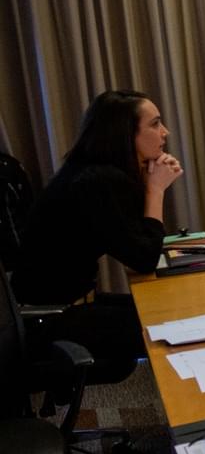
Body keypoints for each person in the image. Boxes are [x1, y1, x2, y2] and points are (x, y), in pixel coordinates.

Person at [14, 90, 184, 376]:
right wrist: (155, 190)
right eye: (154, 124)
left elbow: (136, 239)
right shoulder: (97, 181)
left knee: (168, 307)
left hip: (63, 304)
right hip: (50, 318)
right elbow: (143, 258)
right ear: (125, 135)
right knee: (169, 325)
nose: (164, 132)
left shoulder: (93, 171)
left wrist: (145, 184)